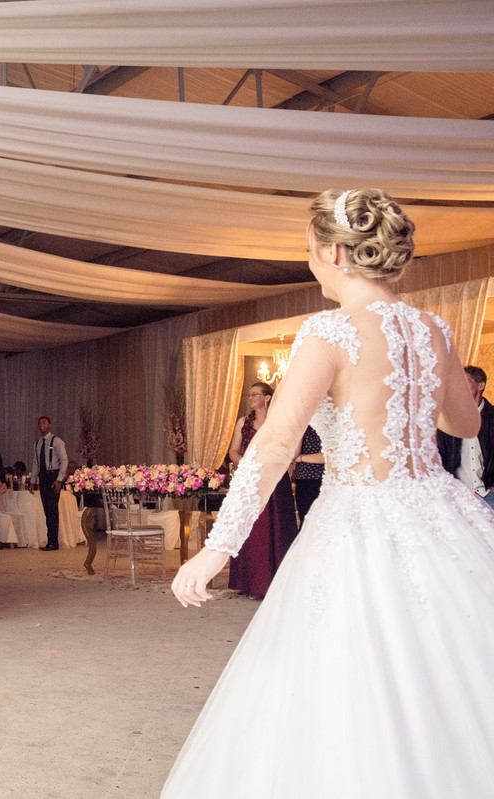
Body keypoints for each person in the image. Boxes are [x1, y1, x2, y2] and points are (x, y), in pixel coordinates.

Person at [165, 188, 494, 797]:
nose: (311, 261)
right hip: (442, 515)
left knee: (351, 680)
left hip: (360, 520)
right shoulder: (432, 329)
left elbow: (273, 446)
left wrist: (218, 547)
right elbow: (466, 424)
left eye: (312, 250)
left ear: (337, 253)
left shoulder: (329, 333)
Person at [224, 381, 299, 599]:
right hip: (251, 478)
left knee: (279, 525)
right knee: (254, 528)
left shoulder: (280, 421)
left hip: (276, 479)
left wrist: (275, 464)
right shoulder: (243, 423)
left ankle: (280, 582)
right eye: (249, 395)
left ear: (267, 398)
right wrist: (246, 464)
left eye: (255, 394)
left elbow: (290, 448)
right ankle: (253, 581)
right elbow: (233, 452)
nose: (250, 398)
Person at [437, 365, 494, 510]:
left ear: (480, 385)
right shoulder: (448, 419)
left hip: (489, 494)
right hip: (458, 496)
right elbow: (440, 455)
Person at [29, 416, 67, 551]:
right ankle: (50, 540)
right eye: (39, 423)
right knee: (47, 510)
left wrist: (59, 479)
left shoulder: (56, 441)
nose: (41, 425)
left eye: (44, 423)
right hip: (43, 477)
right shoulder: (37, 443)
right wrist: (33, 481)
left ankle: (53, 542)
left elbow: (64, 460)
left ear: (50, 425)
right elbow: (36, 464)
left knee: (52, 510)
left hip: (53, 476)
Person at [291, 427, 325, 527]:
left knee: (323, 521)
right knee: (306, 522)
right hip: (303, 479)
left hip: (324, 478)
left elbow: (331, 455)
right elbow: (294, 455)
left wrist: (302, 458)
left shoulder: (330, 421)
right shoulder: (302, 423)